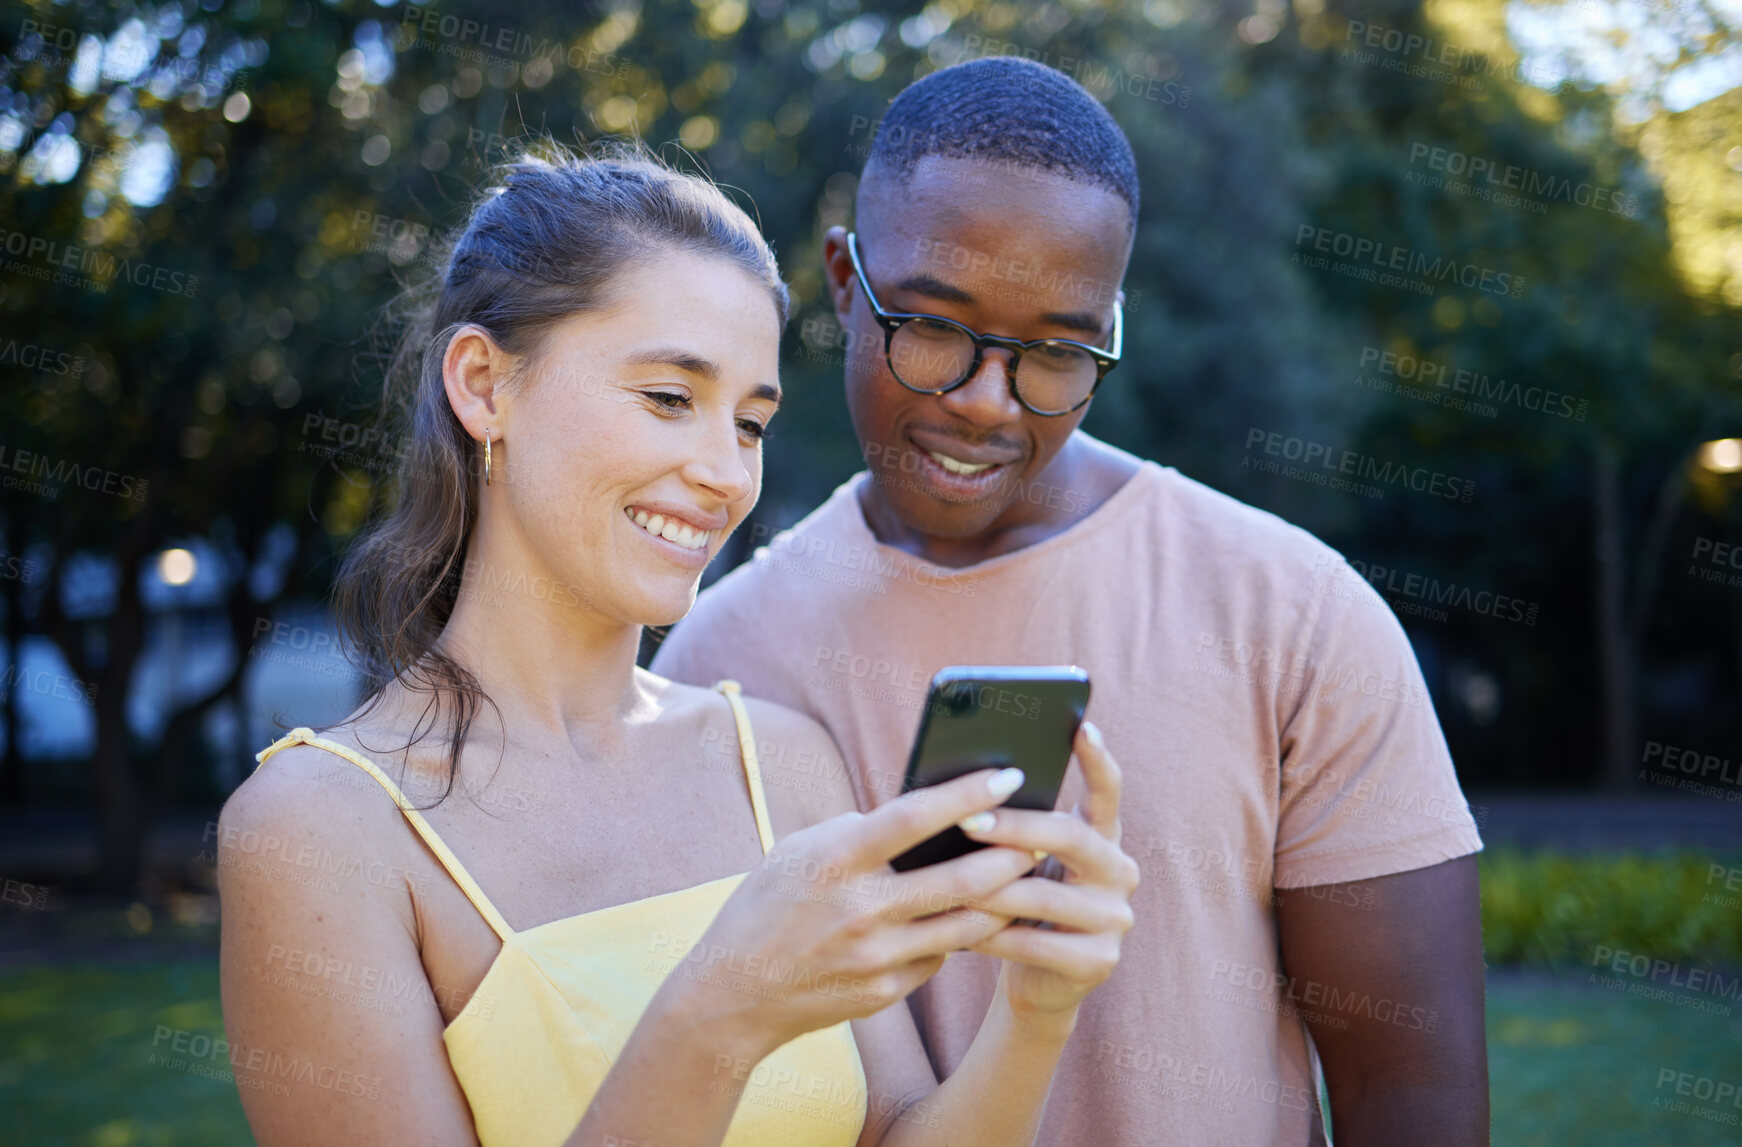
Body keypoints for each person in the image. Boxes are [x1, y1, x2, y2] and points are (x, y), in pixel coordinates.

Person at [216, 145, 1139, 1147]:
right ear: (484, 384)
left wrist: (1035, 1011)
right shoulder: (319, 832)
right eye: (668, 397)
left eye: (749, 423)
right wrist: (721, 1010)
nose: (722, 475)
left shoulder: (779, 761)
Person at [652, 58, 1490, 1147]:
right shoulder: (713, 661)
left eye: (1055, 350)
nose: (986, 406)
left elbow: (1409, 1090)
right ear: (844, 281)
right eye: (934, 329)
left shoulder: (1292, 612)